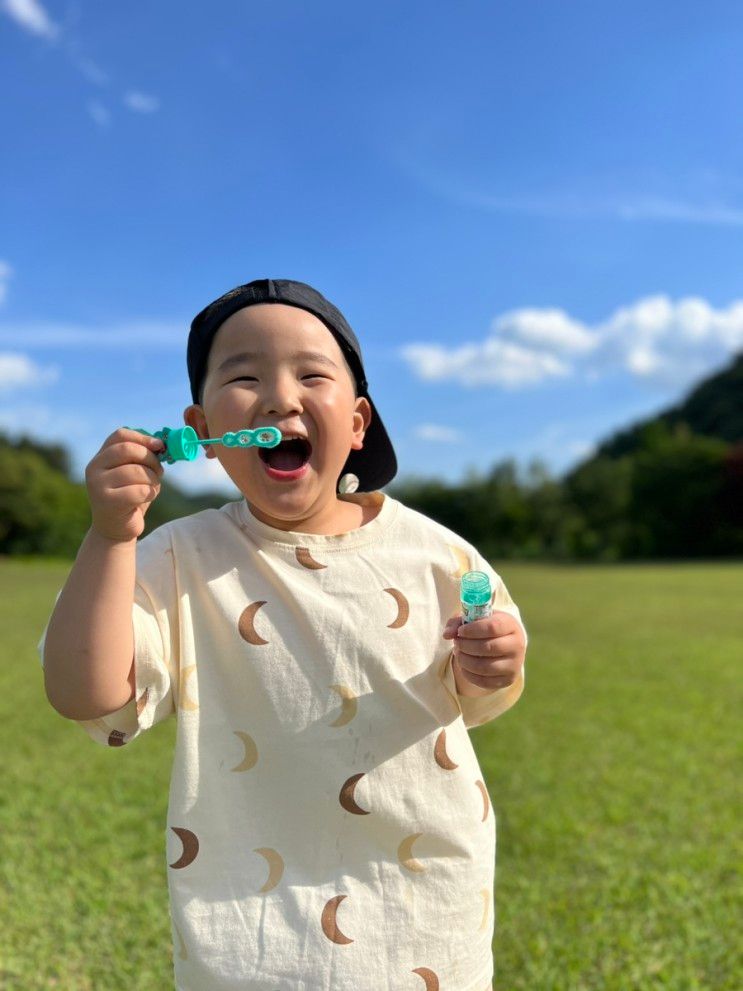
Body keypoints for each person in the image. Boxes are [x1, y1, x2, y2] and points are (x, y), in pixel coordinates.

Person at [38, 278, 527, 991]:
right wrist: (110, 538)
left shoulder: (438, 556)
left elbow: (485, 685)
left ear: (358, 421)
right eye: (242, 375)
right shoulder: (174, 559)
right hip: (249, 927)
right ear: (200, 425)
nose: (275, 396)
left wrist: (495, 660)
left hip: (421, 902)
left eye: (310, 374)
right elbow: (87, 695)